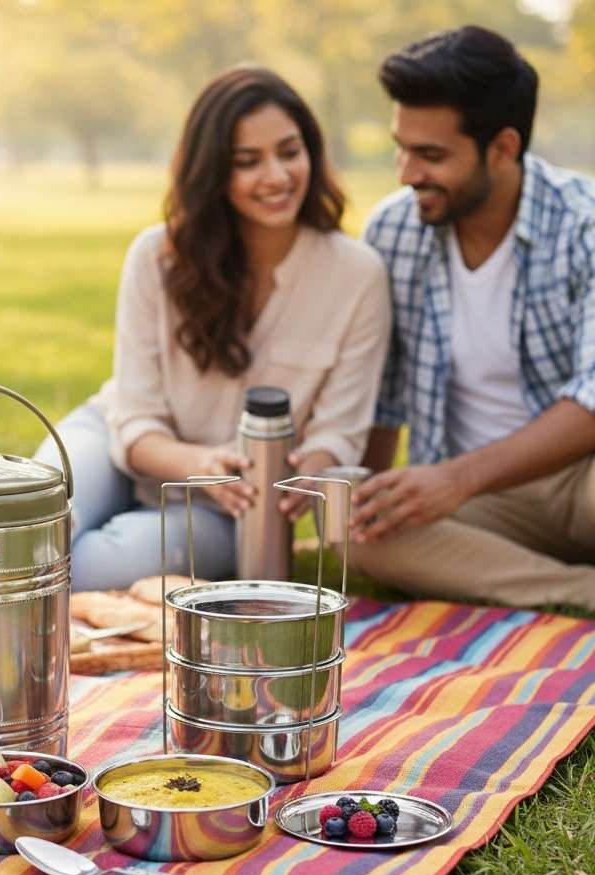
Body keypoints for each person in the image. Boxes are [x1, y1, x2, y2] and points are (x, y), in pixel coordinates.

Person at [35, 65, 391, 591]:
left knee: (78, 570)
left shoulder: (358, 275)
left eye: (289, 152)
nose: (276, 176)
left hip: (234, 507)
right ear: (212, 172)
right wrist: (203, 461)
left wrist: (301, 475)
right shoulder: (157, 257)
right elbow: (133, 420)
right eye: (247, 162)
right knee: (27, 532)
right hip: (118, 440)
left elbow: (340, 431)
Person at [349, 26, 595, 609]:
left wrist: (459, 477)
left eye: (431, 155)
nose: (407, 173)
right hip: (475, 505)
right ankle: (576, 590)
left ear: (503, 148)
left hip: (580, 480)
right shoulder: (393, 230)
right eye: (401, 147)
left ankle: (525, 577)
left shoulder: (584, 225)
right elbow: (384, 397)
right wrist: (365, 511)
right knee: (349, 525)